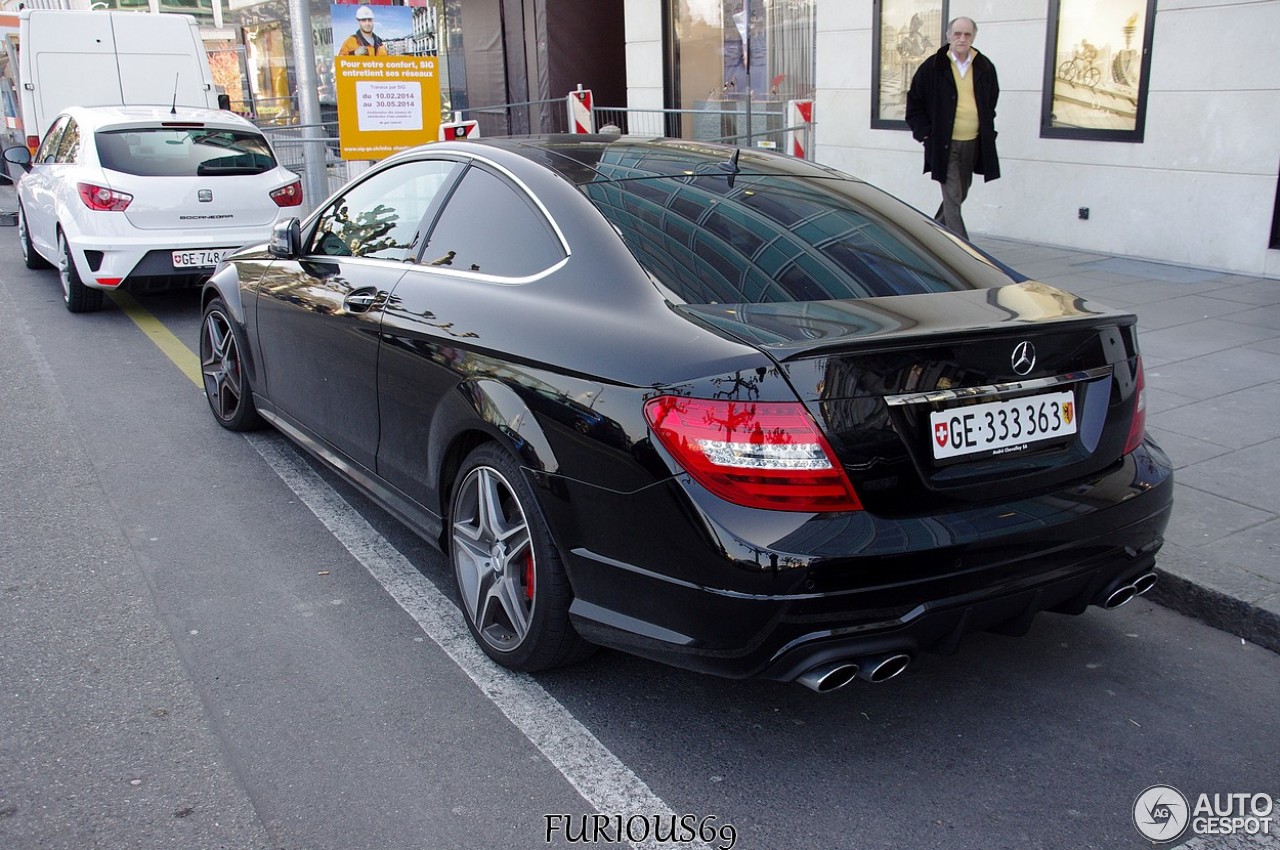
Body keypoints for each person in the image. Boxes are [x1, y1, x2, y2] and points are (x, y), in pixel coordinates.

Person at [905, 16, 999, 240]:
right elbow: (914, 103)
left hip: (973, 143)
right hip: (943, 144)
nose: (962, 39)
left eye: (967, 34)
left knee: (959, 194)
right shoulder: (933, 67)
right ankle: (964, 250)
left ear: (973, 36)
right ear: (948, 36)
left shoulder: (984, 67)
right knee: (953, 195)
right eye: (957, 34)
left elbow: (991, 102)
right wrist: (925, 134)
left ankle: (929, 236)